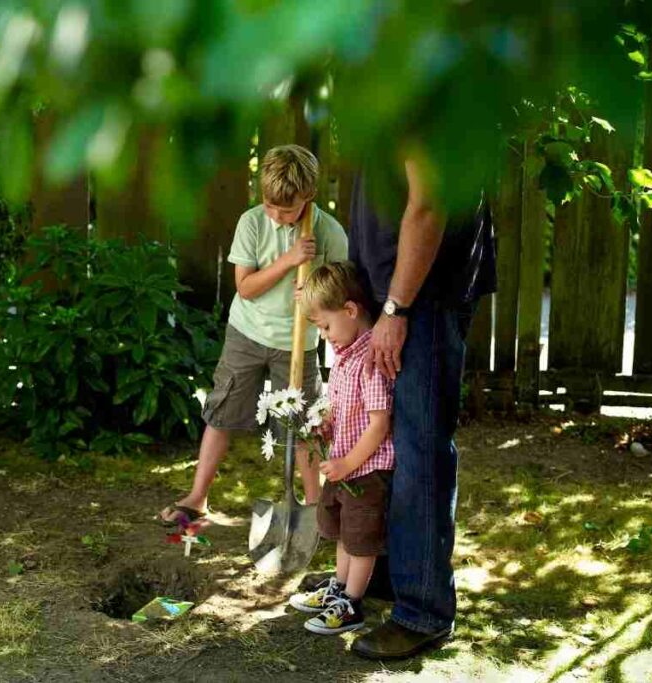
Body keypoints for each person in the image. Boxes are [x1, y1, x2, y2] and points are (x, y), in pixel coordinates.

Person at [347, 160, 496, 659]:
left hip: (420, 300)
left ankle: (423, 610)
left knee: (419, 447)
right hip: (396, 295)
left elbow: (428, 204)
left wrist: (397, 308)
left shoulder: (423, 87)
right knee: (388, 441)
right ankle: (394, 572)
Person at [158, 144, 348, 525]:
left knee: (305, 426)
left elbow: (341, 291)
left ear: (309, 196)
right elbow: (245, 287)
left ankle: (315, 510)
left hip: (297, 343)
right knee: (222, 411)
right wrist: (289, 261)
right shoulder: (252, 223)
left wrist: (313, 293)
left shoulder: (328, 233)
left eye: (287, 209)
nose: (276, 214)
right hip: (246, 333)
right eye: (269, 204)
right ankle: (198, 497)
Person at [287, 261, 394, 635]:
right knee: (345, 532)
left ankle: (352, 604)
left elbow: (380, 423)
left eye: (326, 326)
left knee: (361, 540)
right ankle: (339, 587)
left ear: (350, 310)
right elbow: (344, 409)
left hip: (366, 470)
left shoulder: (369, 362)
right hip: (344, 465)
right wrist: (324, 425)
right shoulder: (345, 357)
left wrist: (347, 462)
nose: (326, 335)